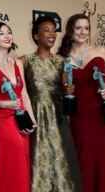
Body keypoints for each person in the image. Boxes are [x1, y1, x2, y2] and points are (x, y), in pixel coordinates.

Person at [57, 13, 105, 192]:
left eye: (86, 28)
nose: (83, 32)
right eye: (78, 28)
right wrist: (65, 90)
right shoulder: (61, 57)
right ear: (70, 30)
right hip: (79, 115)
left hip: (104, 112)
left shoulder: (101, 51)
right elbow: (62, 87)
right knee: (85, 159)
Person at [19, 16, 84, 191]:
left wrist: (67, 90)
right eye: (46, 30)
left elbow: (63, 89)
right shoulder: (25, 61)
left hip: (58, 119)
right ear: (36, 36)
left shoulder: (61, 61)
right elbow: (19, 91)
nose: (52, 34)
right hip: (36, 118)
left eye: (54, 30)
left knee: (60, 157)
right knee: (38, 158)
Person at [0, 22, 36, 192]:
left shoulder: (17, 63)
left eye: (9, 32)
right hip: (3, 120)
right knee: (11, 161)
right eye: (2, 33)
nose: (7, 36)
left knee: (22, 160)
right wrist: (2, 103)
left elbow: (23, 93)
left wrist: (31, 119)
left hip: (21, 118)